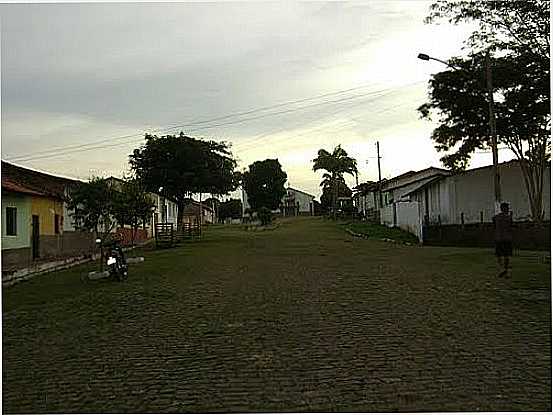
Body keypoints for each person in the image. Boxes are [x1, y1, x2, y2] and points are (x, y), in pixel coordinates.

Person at [493, 202, 513, 278]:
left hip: (499, 238)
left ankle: (502, 268)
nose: (508, 210)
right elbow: (511, 227)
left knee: (499, 255)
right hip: (507, 238)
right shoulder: (509, 218)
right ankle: (505, 269)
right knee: (506, 255)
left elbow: (494, 227)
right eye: (507, 208)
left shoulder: (495, 217)